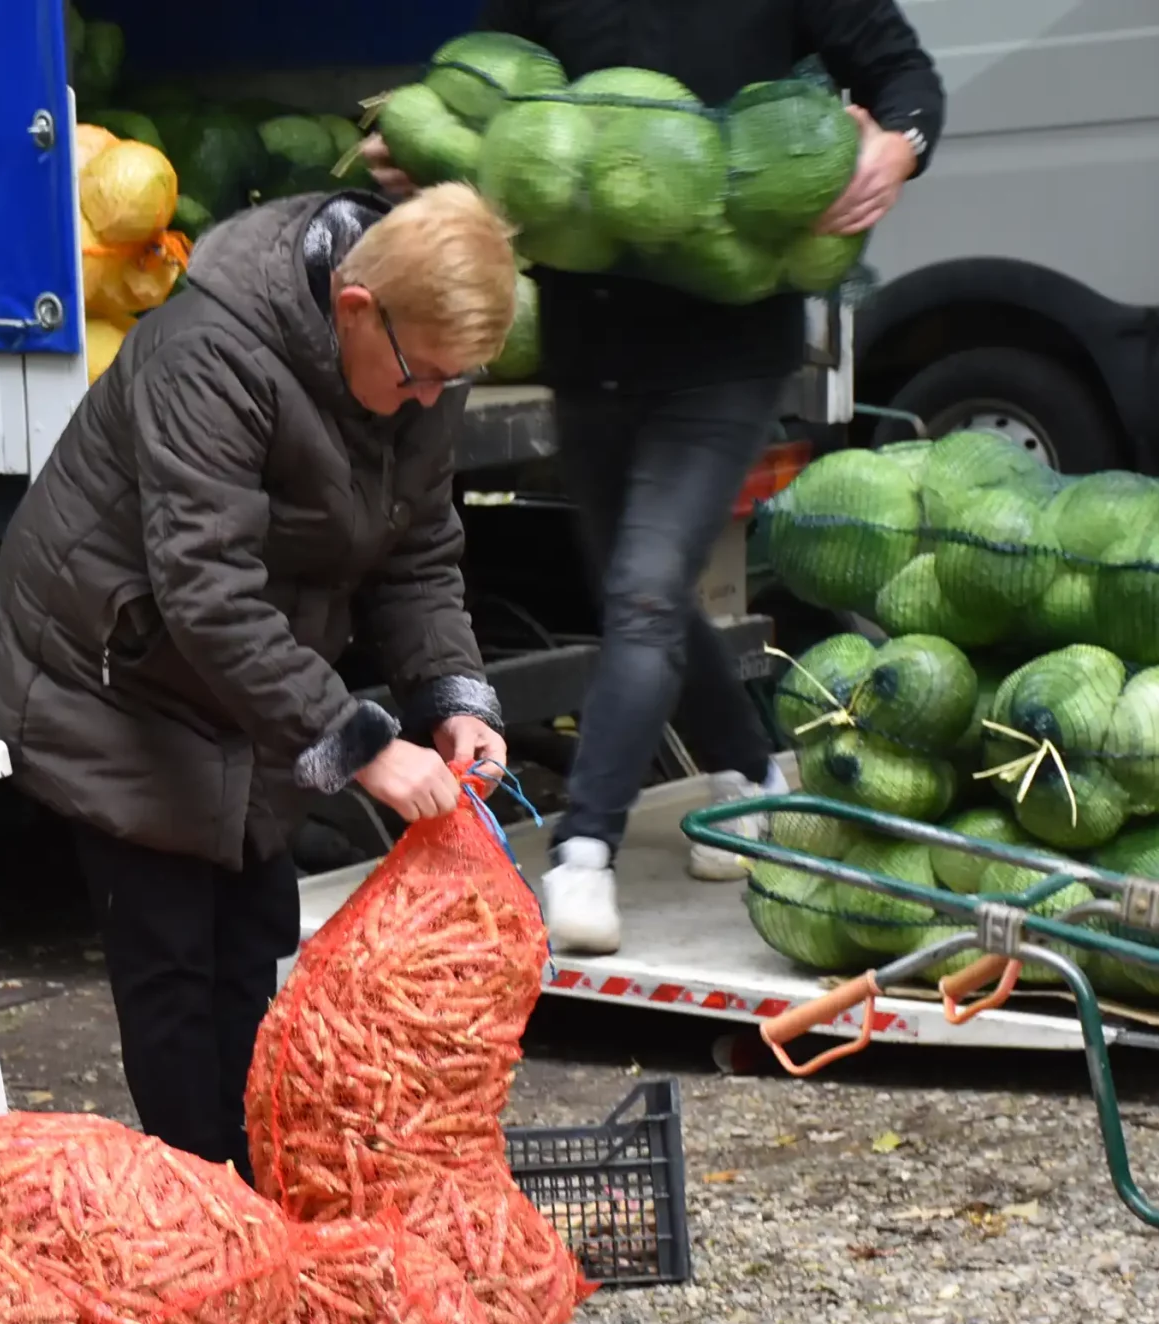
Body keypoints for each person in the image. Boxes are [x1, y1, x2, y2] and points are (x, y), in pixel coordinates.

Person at [367, 1, 945, 955]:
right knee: (647, 592)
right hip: (591, 345)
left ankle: (583, 850)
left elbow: (905, 75)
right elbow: (486, 102)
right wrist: (418, 154)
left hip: (731, 348)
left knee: (639, 593)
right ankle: (754, 776)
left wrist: (897, 148)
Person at [0, 183, 518, 1181]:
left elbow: (418, 552)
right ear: (355, 308)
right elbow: (206, 594)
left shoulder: (416, 358)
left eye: (455, 380)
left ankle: (252, 1200)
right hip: (119, 674)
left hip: (253, 675)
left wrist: (450, 695)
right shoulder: (209, 353)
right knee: (175, 965)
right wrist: (362, 746)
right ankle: (207, 1214)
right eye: (420, 378)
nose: (431, 402)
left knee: (256, 940)